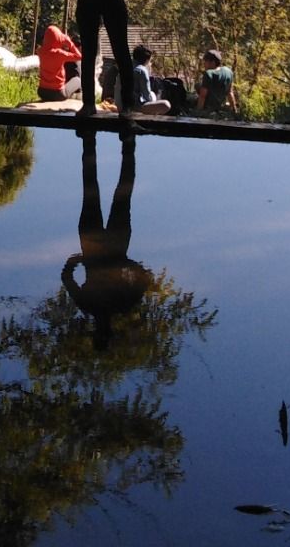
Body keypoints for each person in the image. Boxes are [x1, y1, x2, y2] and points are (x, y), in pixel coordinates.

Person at [61, 128, 152, 350]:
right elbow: (145, 278)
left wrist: (77, 261)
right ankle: (116, 142)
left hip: (103, 247)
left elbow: (67, 277)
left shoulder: (105, 305)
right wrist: (79, 260)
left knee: (107, 190)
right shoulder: (116, 305)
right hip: (110, 247)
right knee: (107, 190)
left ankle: (107, 141)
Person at [115, 44, 171, 116]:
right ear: (147, 59)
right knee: (165, 104)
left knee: (152, 94)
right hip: (131, 107)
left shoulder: (125, 67)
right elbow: (147, 97)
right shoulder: (141, 70)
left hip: (119, 106)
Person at [36, 21, 83, 102]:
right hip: (57, 94)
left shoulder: (40, 51)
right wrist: (70, 43)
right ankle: (74, 98)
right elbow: (79, 56)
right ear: (58, 39)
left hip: (42, 91)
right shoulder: (59, 53)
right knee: (77, 80)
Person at [196, 48, 239, 115]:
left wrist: (198, 112)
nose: (204, 63)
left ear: (213, 62)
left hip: (210, 107)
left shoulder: (208, 74)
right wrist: (234, 109)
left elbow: (202, 96)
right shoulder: (228, 71)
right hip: (221, 104)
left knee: (197, 86)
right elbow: (230, 92)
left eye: (206, 61)